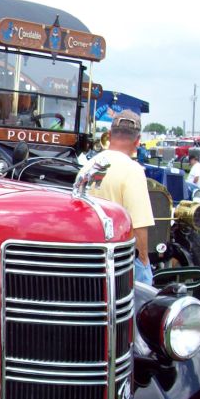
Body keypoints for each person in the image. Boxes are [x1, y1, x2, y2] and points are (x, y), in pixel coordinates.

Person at [79, 110, 155, 285]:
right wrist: (143, 263)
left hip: (88, 257)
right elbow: (139, 226)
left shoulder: (88, 166)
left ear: (110, 135)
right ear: (137, 141)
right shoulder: (132, 171)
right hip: (118, 261)